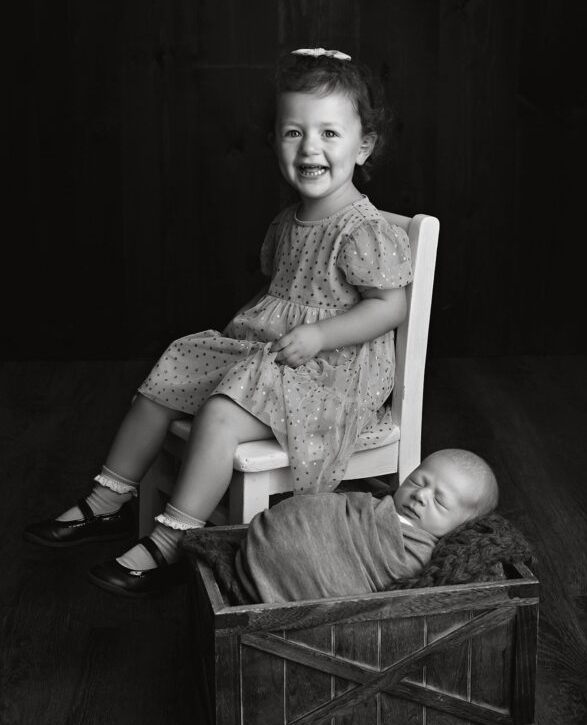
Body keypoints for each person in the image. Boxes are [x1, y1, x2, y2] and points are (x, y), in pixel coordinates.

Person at [24, 47, 414, 598]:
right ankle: (108, 501)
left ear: (364, 144)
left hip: (335, 370)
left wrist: (321, 334)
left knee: (220, 414)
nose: (310, 149)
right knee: (175, 366)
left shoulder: (362, 230)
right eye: (293, 132)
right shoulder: (291, 219)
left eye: (330, 134)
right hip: (279, 353)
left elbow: (389, 307)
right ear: (275, 140)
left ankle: (174, 537)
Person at [228, 449, 499, 604]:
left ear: (462, 527)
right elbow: (334, 507)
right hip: (275, 535)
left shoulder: (421, 552)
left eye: (439, 501)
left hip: (306, 574)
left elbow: (393, 576)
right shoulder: (375, 506)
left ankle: (278, 574)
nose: (420, 496)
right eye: (418, 481)